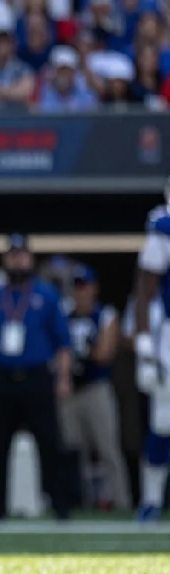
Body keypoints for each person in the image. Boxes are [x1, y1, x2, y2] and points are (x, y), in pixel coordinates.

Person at [0, 234, 75, 520]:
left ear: (30, 259)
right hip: (3, 377)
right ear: (6, 260)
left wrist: (63, 378)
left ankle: (59, 504)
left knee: (49, 442)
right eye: (13, 255)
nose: (18, 260)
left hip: (37, 377)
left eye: (22, 255)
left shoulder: (46, 295)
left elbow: (63, 343)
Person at [61, 265, 130, 510]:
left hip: (96, 388)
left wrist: (79, 352)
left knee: (108, 448)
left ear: (94, 288)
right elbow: (57, 350)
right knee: (73, 450)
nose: (82, 292)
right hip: (69, 390)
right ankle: (79, 503)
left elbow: (104, 353)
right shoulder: (63, 314)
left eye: (85, 286)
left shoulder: (105, 314)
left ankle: (122, 502)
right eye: (77, 286)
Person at [133, 190, 170, 522]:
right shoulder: (164, 227)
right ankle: (151, 499)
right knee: (163, 422)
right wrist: (145, 345)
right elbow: (145, 287)